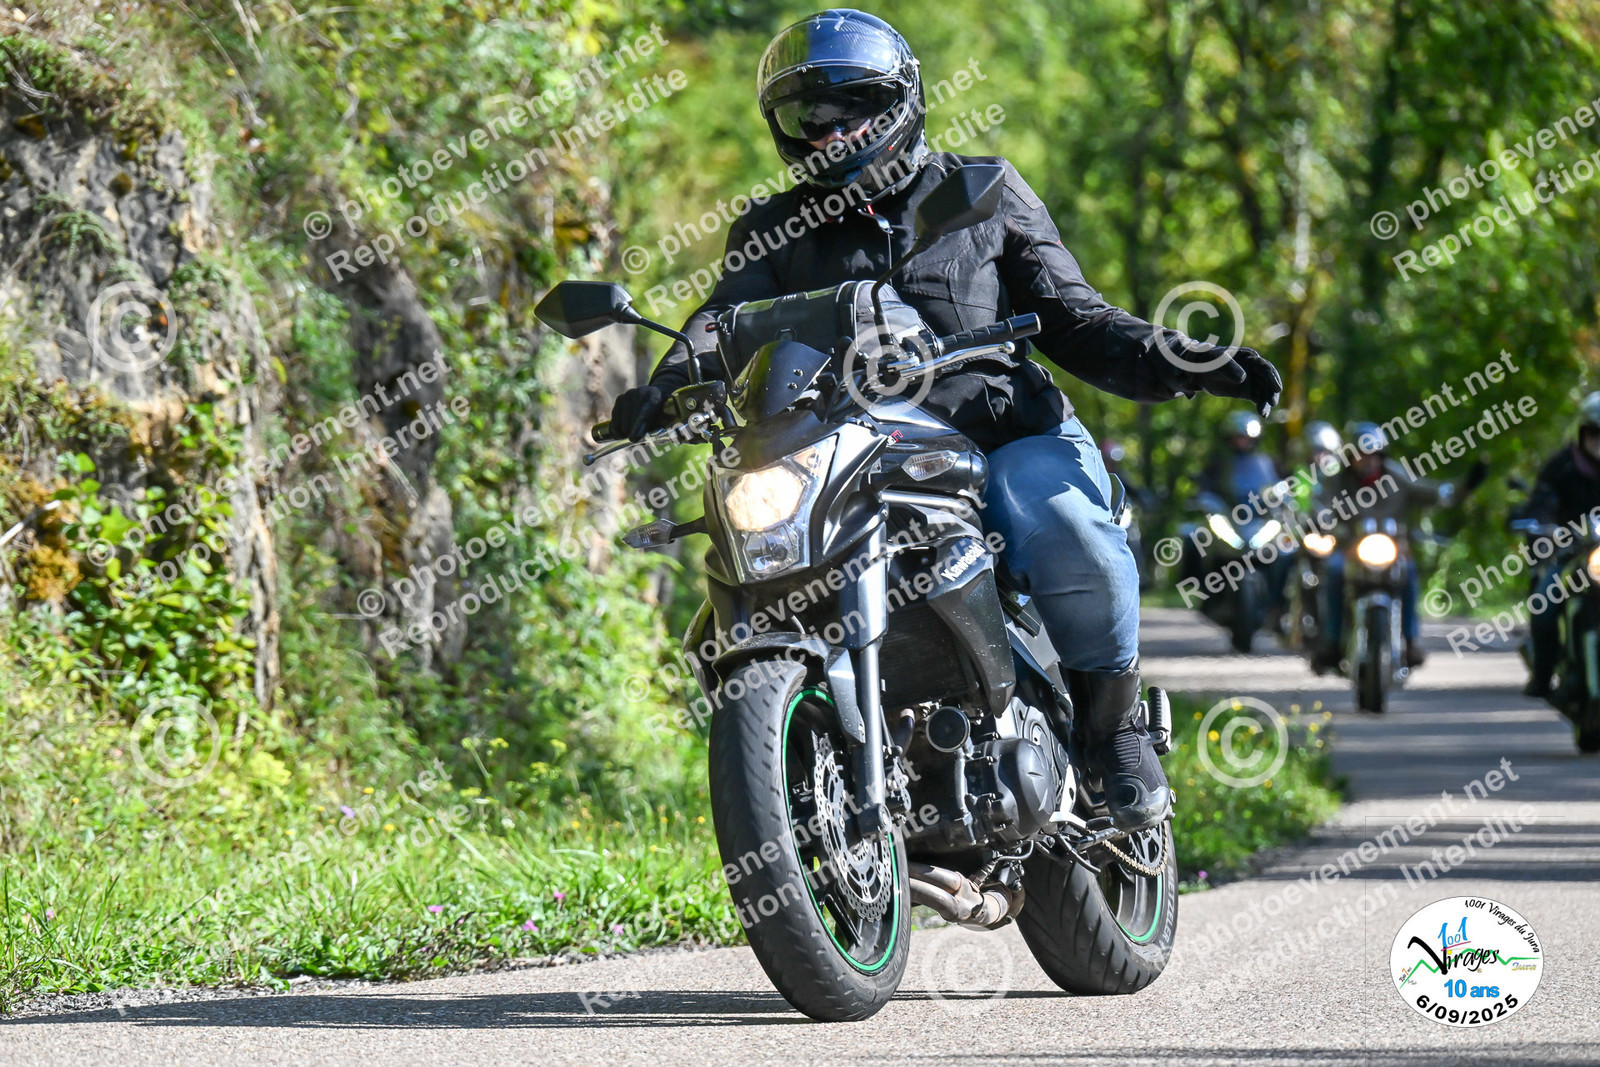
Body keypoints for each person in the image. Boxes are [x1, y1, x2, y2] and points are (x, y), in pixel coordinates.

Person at [607, 9, 1281, 830]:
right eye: (807, 115)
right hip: (854, 454)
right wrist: (665, 385)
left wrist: (1184, 358)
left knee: (1066, 524)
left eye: (850, 105)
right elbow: (720, 323)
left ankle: (1113, 733)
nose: (827, 130)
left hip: (1004, 437)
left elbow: (1076, 319)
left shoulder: (983, 192)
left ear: (898, 102)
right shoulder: (772, 231)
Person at [1313, 422, 1448, 672]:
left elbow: (1429, 492)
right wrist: (1324, 524)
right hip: (1349, 550)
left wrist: (1461, 487)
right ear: (1350, 457)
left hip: (1392, 549)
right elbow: (1322, 506)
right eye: (1361, 454)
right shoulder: (1337, 480)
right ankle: (1330, 641)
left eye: (1373, 454)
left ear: (1382, 456)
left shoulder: (1397, 476)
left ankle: (1411, 641)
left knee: (1408, 572)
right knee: (1333, 570)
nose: (1368, 460)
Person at [1514, 391, 1600, 698]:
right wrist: (1542, 526)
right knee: (1544, 602)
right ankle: (1543, 674)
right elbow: (1541, 503)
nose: (1599, 441)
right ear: (1582, 432)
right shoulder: (1561, 466)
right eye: (1594, 433)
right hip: (1570, 555)